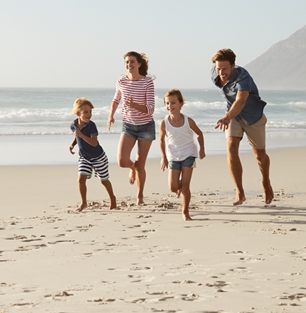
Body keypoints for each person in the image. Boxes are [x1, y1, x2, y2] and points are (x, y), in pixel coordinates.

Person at [211, 48, 274, 206]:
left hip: (253, 117)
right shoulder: (215, 73)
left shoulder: (243, 78)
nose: (221, 72)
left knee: (260, 156)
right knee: (231, 148)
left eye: (225, 68)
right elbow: (231, 100)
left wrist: (226, 117)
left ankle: (266, 182)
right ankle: (239, 192)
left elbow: (240, 101)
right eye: (218, 68)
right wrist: (229, 116)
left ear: (233, 66)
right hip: (234, 116)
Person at [107, 51, 155, 205]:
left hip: (146, 127)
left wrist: (134, 105)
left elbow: (150, 109)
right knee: (122, 161)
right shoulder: (121, 81)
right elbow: (116, 99)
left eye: (132, 61)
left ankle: (140, 196)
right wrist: (111, 115)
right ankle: (132, 168)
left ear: (139, 64)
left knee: (141, 164)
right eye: (127, 62)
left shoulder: (147, 82)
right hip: (128, 125)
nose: (129, 65)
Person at [159, 89, 205, 221]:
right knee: (173, 186)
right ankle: (180, 190)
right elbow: (161, 140)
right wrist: (163, 157)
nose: (170, 106)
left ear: (181, 104)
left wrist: (202, 149)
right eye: (167, 103)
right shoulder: (164, 123)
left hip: (189, 154)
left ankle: (185, 212)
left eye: (173, 103)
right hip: (173, 156)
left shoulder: (188, 121)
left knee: (185, 186)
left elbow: (199, 133)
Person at [69, 98, 116, 212]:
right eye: (85, 112)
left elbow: (94, 143)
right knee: (81, 179)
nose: (89, 114)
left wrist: (81, 135)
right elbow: (77, 136)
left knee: (103, 180)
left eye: (90, 111)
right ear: (77, 113)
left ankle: (112, 198)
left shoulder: (92, 126)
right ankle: (84, 202)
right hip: (84, 157)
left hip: (98, 157)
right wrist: (72, 144)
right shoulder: (73, 125)